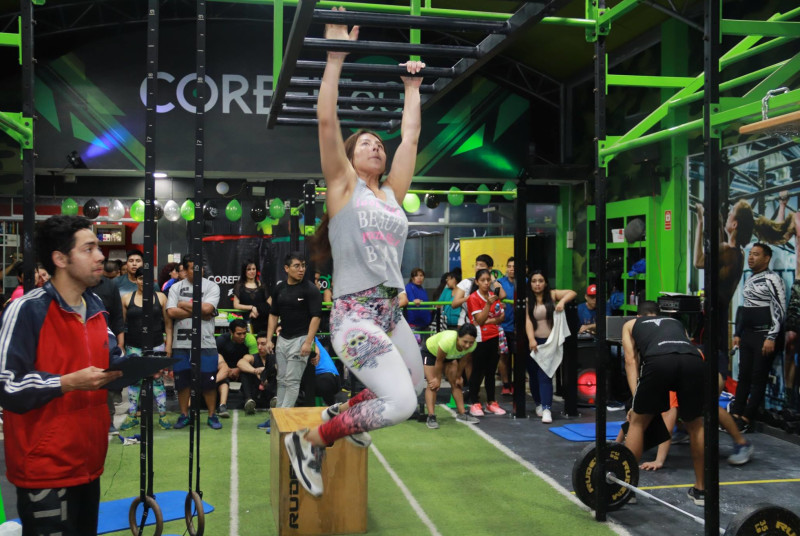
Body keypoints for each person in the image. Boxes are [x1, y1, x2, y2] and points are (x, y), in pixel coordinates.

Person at [284, 10, 426, 497]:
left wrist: (412, 88)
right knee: (402, 404)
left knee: (417, 385)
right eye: (366, 143)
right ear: (349, 155)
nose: (376, 147)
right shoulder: (344, 188)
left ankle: (344, 413)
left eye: (379, 144)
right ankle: (310, 441)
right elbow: (327, 119)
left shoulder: (390, 194)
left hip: (389, 312)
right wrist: (335, 56)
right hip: (355, 315)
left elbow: (410, 137)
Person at [0, 215, 123, 534]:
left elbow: (112, 360)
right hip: (44, 471)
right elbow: (6, 385)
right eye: (89, 249)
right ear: (60, 258)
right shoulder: (26, 310)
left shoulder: (96, 307)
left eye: (99, 248)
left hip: (89, 466)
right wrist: (66, 383)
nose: (101, 256)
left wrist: (137, 368)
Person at [621, 301, 706, 505]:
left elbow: (630, 361)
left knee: (638, 422)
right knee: (695, 425)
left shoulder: (630, 324)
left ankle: (627, 490)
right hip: (693, 360)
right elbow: (685, 346)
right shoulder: (675, 322)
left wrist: (635, 401)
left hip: (659, 360)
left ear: (639, 316)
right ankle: (701, 491)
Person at [732, 243, 785, 432]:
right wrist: (738, 333)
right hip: (748, 334)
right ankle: (735, 415)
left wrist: (771, 336)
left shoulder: (773, 279)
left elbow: (779, 309)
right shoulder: (749, 279)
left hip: (764, 335)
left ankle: (746, 418)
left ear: (767, 258)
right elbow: (744, 308)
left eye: (756, 254)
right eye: (750, 254)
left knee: (758, 377)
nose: (751, 257)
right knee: (743, 375)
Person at [166, 255, 223, 430]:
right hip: (181, 344)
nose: (198, 271)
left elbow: (208, 308)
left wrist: (183, 304)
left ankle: (212, 415)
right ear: (184, 270)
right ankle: (184, 415)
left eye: (200, 267)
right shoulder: (175, 288)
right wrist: (200, 312)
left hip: (206, 343)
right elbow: (171, 312)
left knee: (208, 382)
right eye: (193, 268)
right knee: (182, 382)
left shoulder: (212, 286)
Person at [265, 252, 322, 409]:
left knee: (292, 381)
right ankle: (278, 416)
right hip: (283, 339)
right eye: (297, 266)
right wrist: (269, 339)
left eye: (303, 266)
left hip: (301, 339)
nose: (301, 269)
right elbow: (273, 314)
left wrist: (308, 342)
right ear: (286, 268)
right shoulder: (279, 289)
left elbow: (316, 317)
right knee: (281, 380)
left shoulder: (311, 289)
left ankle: (283, 417)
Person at [119, 267, 173, 431]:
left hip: (156, 344)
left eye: (147, 278)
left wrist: (168, 346)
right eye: (141, 278)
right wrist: (121, 346)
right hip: (133, 345)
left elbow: (168, 325)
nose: (144, 282)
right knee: (134, 382)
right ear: (136, 280)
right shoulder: (126, 298)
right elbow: (121, 326)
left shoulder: (161, 298)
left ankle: (163, 416)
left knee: (158, 380)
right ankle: (132, 416)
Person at [524, 270, 576, 423]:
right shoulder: (528, 300)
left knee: (546, 375)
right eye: (534, 281)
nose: (537, 284)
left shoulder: (552, 295)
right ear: (530, 283)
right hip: (534, 343)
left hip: (550, 342)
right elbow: (527, 321)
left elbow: (572, 293)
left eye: (540, 281)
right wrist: (531, 339)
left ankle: (547, 408)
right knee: (533, 375)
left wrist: (562, 302)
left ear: (545, 283)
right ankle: (539, 404)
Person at [89, 261, 125, 435]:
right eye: (88, 250)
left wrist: (119, 344)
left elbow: (116, 317)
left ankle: (108, 420)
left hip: (104, 341)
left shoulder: (107, 288)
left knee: (105, 380)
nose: (98, 257)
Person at [466, 268, 506, 417]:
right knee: (478, 370)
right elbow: (479, 320)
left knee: (491, 371)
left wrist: (489, 320)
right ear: (477, 282)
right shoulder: (473, 298)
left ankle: (491, 402)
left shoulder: (493, 295)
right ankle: (474, 402)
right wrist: (488, 306)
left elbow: (501, 317)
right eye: (482, 280)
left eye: (488, 280)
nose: (486, 283)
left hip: (495, 336)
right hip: (480, 338)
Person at [423, 324, 479, 428]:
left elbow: (464, 361)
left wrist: (458, 376)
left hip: (449, 355)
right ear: (458, 338)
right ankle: (431, 416)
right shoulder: (448, 341)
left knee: (456, 383)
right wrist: (438, 379)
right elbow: (439, 361)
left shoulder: (473, 345)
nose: (467, 345)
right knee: (433, 385)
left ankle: (462, 414)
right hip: (431, 353)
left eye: (471, 342)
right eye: (465, 342)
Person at [216, 318, 258, 416]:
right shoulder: (221, 340)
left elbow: (255, 361)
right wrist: (227, 370)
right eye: (239, 334)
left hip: (242, 369)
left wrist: (239, 369)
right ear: (231, 332)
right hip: (224, 370)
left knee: (250, 373)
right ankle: (222, 406)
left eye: (244, 333)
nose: (242, 336)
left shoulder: (250, 340)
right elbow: (215, 359)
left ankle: (249, 401)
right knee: (221, 377)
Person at [238, 331, 278, 418]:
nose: (259, 347)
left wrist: (266, 371)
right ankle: (249, 401)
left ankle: (276, 401)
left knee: (279, 372)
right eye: (258, 344)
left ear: (272, 345)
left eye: (263, 344)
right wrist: (255, 371)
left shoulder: (278, 358)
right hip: (256, 392)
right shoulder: (252, 357)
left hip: (271, 391)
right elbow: (240, 363)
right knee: (244, 372)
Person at [232, 260, 270, 333]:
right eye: (249, 269)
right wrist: (251, 307)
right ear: (244, 271)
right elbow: (236, 305)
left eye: (254, 269)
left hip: (263, 321)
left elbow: (270, 303)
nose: (252, 271)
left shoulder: (262, 285)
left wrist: (258, 310)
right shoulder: (239, 286)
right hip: (246, 322)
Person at [497, 257, 516, 395]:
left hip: (520, 327)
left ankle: (517, 384)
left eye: (514, 266)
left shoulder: (527, 282)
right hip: (503, 327)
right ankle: (506, 384)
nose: (511, 269)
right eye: (509, 266)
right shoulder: (500, 283)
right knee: (503, 356)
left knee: (520, 357)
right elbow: (492, 299)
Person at [403, 267, 432, 332]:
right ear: (412, 277)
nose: (419, 278)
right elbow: (412, 299)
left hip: (424, 323)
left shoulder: (422, 289)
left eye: (421, 275)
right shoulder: (409, 287)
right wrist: (414, 301)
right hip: (414, 323)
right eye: (416, 276)